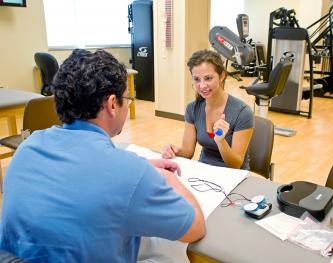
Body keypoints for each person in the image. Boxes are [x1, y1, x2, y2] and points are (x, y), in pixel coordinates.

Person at [0, 49, 205, 262]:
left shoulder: (27, 148)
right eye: (128, 99)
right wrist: (167, 178)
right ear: (112, 104)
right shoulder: (130, 173)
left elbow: (80, 175)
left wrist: (141, 167)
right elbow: (196, 227)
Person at [162, 49, 254, 169]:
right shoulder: (192, 108)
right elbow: (188, 152)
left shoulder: (242, 112)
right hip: (204, 171)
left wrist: (221, 141)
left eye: (208, 78)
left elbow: (236, 164)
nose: (202, 86)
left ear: (222, 76)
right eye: (196, 79)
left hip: (233, 175)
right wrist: (175, 151)